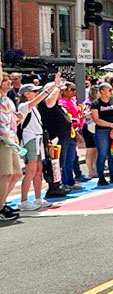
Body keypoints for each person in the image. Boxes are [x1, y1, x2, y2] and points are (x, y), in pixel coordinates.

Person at [17, 80, 61, 211]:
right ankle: (23, 201)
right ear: (26, 94)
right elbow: (39, 99)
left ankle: (38, 198)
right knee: (30, 170)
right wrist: (53, 87)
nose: (37, 93)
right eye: (34, 91)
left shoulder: (34, 108)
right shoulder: (24, 106)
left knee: (38, 170)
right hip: (30, 139)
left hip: (38, 139)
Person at [37, 78, 78, 193]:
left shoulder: (57, 104)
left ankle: (57, 185)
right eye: (59, 91)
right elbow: (50, 102)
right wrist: (57, 86)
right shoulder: (46, 102)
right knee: (54, 162)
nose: (60, 93)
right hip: (55, 137)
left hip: (62, 137)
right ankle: (53, 187)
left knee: (60, 162)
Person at [90, 83, 113, 186]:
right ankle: (101, 178)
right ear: (102, 91)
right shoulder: (96, 103)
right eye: (108, 89)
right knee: (102, 154)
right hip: (102, 131)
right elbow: (96, 119)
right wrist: (111, 126)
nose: (111, 91)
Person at [0, 68, 21, 220]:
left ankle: (2, 202)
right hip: (3, 139)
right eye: (5, 80)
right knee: (5, 174)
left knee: (16, 173)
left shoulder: (7, 99)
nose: (9, 82)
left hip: (11, 138)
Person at [58, 82, 88, 184]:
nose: (74, 92)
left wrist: (81, 116)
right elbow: (68, 119)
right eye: (72, 90)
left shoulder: (71, 101)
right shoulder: (63, 103)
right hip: (70, 132)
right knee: (68, 159)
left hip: (75, 130)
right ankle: (68, 182)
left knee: (72, 157)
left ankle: (71, 180)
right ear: (64, 91)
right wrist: (76, 133)